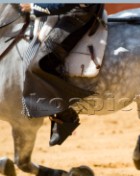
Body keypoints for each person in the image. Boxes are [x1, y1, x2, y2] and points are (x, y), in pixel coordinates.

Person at [20, 4, 104, 146]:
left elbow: (64, 4)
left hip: (78, 13)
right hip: (71, 10)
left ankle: (66, 115)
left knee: (38, 64)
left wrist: (35, 7)